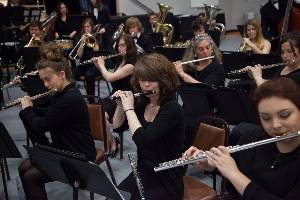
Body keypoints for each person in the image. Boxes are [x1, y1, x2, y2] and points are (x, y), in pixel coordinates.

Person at [184, 77, 300, 200]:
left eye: (284, 115)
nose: (275, 125)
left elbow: (235, 174)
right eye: (266, 118)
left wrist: (235, 175)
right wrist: (211, 165)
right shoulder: (252, 136)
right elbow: (232, 171)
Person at [18, 42, 96, 200]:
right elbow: (50, 113)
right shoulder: (60, 94)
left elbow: (41, 126)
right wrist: (30, 109)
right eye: (43, 81)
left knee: (30, 176)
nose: (46, 85)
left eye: (48, 79)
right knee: (23, 167)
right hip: (64, 148)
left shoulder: (70, 98)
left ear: (61, 74)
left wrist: (27, 110)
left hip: (79, 156)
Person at [114, 53, 185, 200]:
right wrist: (121, 106)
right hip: (142, 170)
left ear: (164, 81)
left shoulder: (172, 109)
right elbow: (117, 125)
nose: (146, 85)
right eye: (142, 80)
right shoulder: (144, 102)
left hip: (165, 176)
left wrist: (129, 109)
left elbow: (143, 140)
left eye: (152, 80)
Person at [92, 33, 137, 156]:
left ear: (130, 47)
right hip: (115, 95)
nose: (119, 48)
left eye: (123, 45)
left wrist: (102, 65)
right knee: (96, 112)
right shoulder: (121, 61)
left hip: (125, 98)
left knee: (102, 115)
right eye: (118, 45)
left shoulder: (131, 65)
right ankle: (112, 140)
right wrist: (98, 65)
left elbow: (111, 78)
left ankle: (110, 143)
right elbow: (113, 80)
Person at [72, 18, 101, 103]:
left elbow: (97, 51)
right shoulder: (80, 37)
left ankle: (91, 100)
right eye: (84, 27)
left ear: (92, 27)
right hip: (84, 64)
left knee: (89, 75)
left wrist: (92, 39)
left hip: (95, 64)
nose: (86, 29)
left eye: (88, 27)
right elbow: (79, 55)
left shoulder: (97, 36)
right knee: (71, 73)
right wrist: (81, 43)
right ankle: (74, 97)